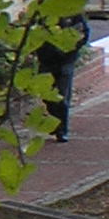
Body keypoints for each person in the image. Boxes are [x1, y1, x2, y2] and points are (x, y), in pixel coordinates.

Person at [33, 11, 91, 142]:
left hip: (66, 60)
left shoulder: (73, 14)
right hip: (46, 60)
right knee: (46, 95)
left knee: (62, 96)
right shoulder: (43, 13)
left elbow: (83, 34)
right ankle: (56, 122)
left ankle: (62, 130)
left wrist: (70, 48)